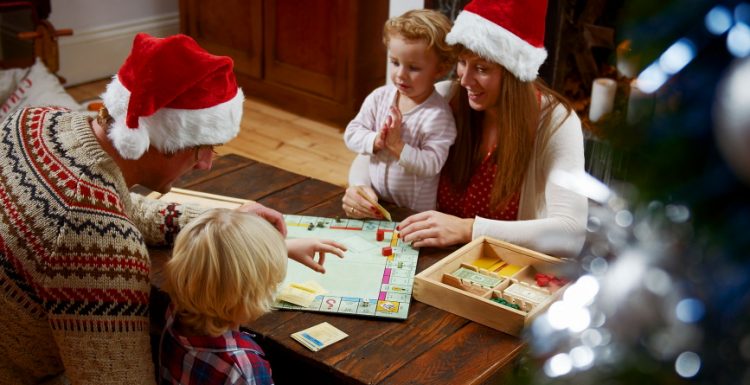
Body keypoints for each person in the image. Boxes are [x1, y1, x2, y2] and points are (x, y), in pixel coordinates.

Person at [0, 33, 343, 384]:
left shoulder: (34, 121)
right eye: (203, 147)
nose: (207, 163)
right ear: (159, 137)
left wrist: (228, 227)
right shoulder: (99, 241)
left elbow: (113, 204)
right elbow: (119, 378)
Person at [343, 0, 588, 258]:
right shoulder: (445, 98)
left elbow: (570, 234)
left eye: (481, 68)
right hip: (426, 252)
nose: (464, 79)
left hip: (501, 266)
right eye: (462, 62)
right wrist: (359, 188)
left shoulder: (555, 122)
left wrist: (467, 229)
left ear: (514, 72)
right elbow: (381, 150)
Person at [343, 9, 457, 213]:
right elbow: (352, 133)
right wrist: (375, 140)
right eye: (395, 63)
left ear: (440, 69)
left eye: (413, 68)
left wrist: (397, 145)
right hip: (376, 201)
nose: (400, 75)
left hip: (411, 212)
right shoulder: (380, 98)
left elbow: (431, 165)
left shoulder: (438, 116)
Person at [159, 209, 286, 385]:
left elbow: (215, 262)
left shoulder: (174, 313)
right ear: (244, 296)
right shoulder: (243, 365)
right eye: (271, 284)